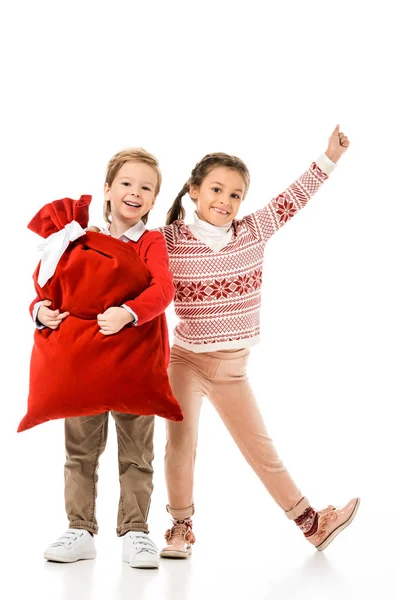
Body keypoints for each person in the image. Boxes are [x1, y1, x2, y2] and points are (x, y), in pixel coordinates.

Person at [158, 125, 360, 558]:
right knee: (181, 443)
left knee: (261, 450)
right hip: (185, 361)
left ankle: (312, 525)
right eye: (216, 189)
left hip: (232, 369)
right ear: (193, 190)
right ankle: (179, 527)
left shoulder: (254, 231)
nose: (225, 201)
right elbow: (126, 255)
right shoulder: (169, 241)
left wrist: (330, 156)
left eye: (235, 195)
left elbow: (294, 197)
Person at [31, 148, 174, 569]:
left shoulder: (151, 241)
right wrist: (39, 311)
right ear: (108, 189)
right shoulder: (78, 238)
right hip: (84, 365)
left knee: (136, 454)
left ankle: (135, 532)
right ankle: (79, 529)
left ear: (154, 199)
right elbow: (47, 287)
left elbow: (162, 290)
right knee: (80, 451)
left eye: (146, 188)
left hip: (134, 364)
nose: (135, 193)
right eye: (126, 184)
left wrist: (129, 312)